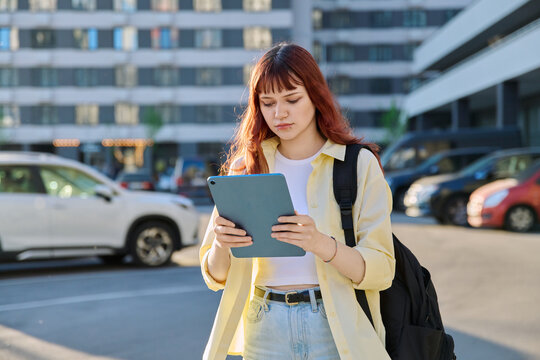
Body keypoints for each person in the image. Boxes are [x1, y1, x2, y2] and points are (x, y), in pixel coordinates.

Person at [199, 43, 395, 360]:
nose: (280, 113)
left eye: (292, 99)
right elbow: (214, 276)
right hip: (263, 326)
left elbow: (382, 270)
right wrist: (222, 243)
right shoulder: (246, 167)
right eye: (267, 103)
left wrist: (320, 243)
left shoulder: (357, 164)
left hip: (335, 327)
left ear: (316, 97)